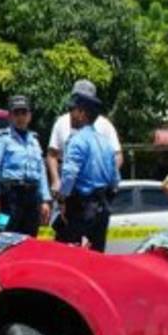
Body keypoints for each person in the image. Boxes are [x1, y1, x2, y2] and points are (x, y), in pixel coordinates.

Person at [56, 87, 118, 252]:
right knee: (96, 258)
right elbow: (115, 180)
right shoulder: (106, 144)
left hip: (81, 210)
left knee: (71, 259)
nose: (70, 114)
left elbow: (69, 175)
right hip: (102, 209)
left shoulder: (77, 140)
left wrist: (62, 199)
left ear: (82, 113)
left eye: (72, 110)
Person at [0, 95, 50, 236]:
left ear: (30, 116)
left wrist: (45, 200)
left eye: (24, 113)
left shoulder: (34, 140)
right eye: (16, 113)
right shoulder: (2, 138)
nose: (20, 117)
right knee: (5, 239)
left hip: (32, 198)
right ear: (10, 116)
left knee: (29, 240)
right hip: (10, 197)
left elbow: (41, 171)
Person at [46, 79, 122, 192]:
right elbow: (52, 154)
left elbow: (117, 156)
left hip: (81, 196)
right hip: (94, 195)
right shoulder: (61, 122)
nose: (72, 112)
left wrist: (63, 192)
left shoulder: (103, 126)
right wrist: (56, 181)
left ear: (83, 111)